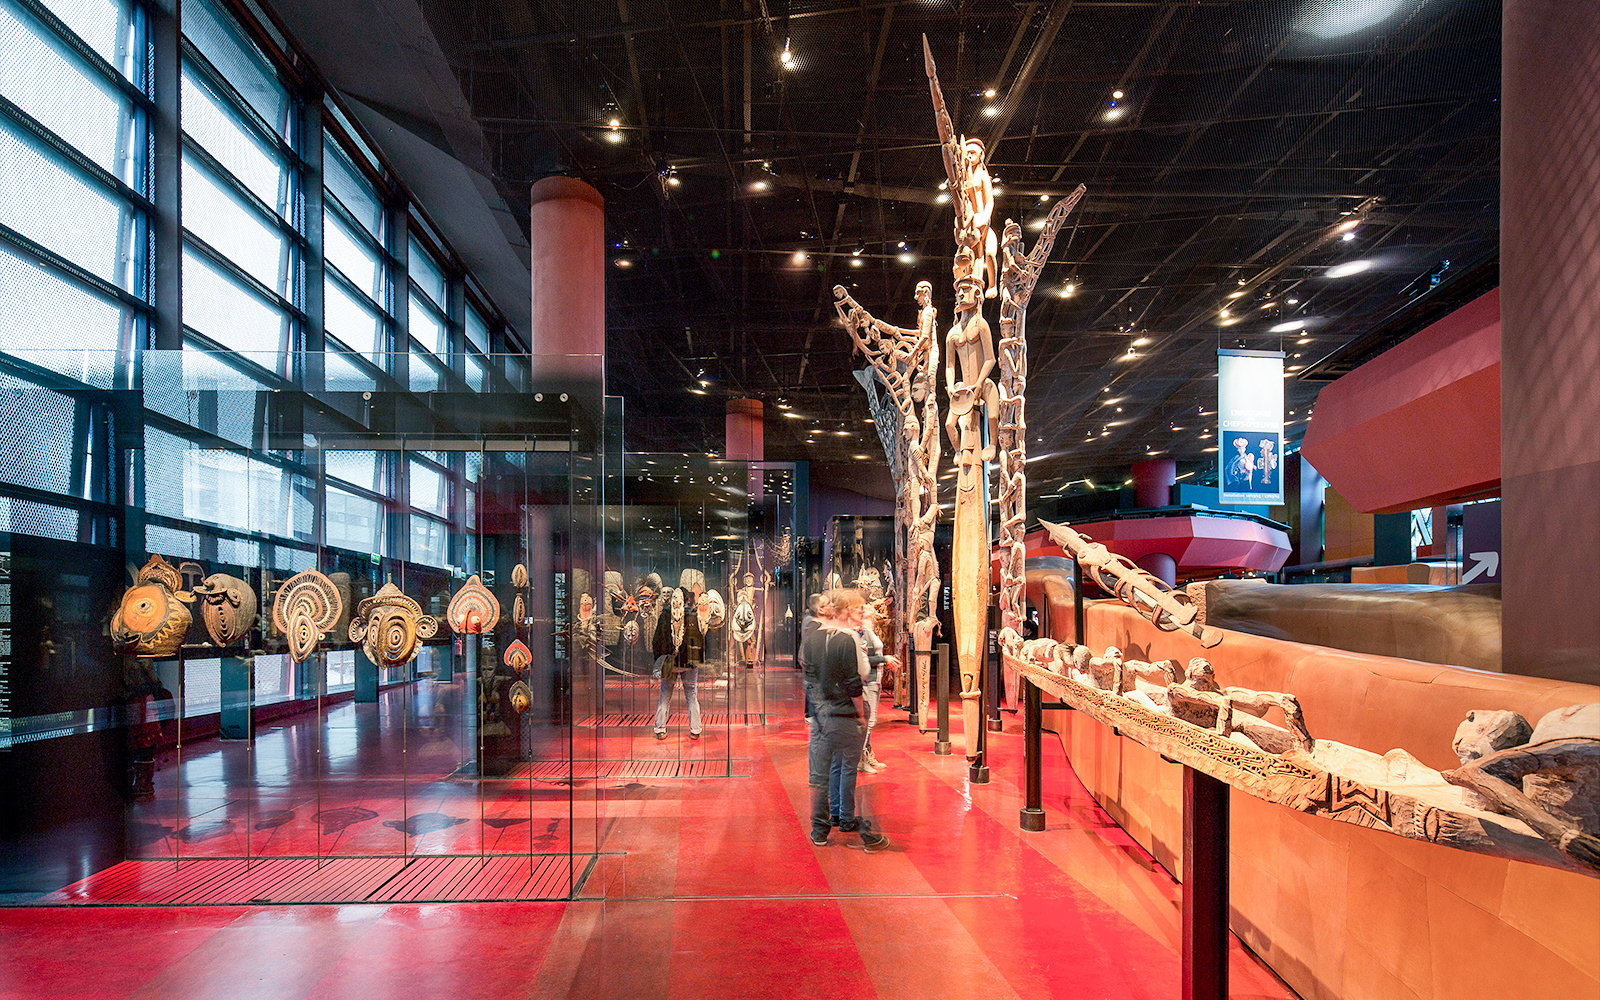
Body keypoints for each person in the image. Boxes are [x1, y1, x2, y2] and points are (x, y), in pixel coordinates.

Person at [803, 588, 889, 850]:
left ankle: (821, 828)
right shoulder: (847, 637)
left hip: (821, 711)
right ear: (847, 610)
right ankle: (849, 820)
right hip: (843, 710)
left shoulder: (814, 635)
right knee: (846, 766)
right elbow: (856, 679)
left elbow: (808, 672)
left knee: (822, 774)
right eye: (858, 607)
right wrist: (861, 715)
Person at [651, 586, 703, 739]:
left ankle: (660, 728)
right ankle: (695, 729)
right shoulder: (692, 616)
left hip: (671, 663)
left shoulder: (665, 616)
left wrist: (660, 659)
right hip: (688, 664)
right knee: (691, 695)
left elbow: (656, 641)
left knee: (665, 695)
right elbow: (699, 640)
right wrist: (696, 660)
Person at [857, 603, 898, 773]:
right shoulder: (861, 632)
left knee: (871, 721)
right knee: (868, 720)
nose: (870, 609)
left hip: (876, 679)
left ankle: (867, 753)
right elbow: (864, 658)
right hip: (869, 680)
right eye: (864, 608)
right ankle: (861, 758)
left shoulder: (869, 630)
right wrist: (884, 659)